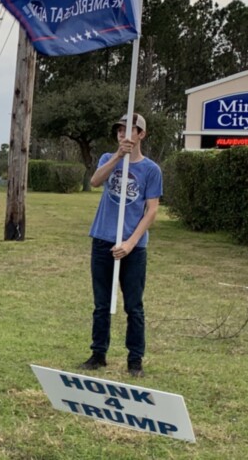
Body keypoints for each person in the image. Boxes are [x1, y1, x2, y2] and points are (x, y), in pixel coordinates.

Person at [79, 113, 162, 378]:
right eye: (119, 130)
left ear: (141, 135)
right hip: (103, 239)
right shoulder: (108, 158)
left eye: (130, 130)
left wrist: (130, 242)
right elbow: (94, 182)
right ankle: (98, 354)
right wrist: (117, 157)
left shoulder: (151, 170)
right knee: (101, 303)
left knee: (134, 306)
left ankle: (135, 360)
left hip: (133, 248)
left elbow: (151, 210)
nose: (124, 135)